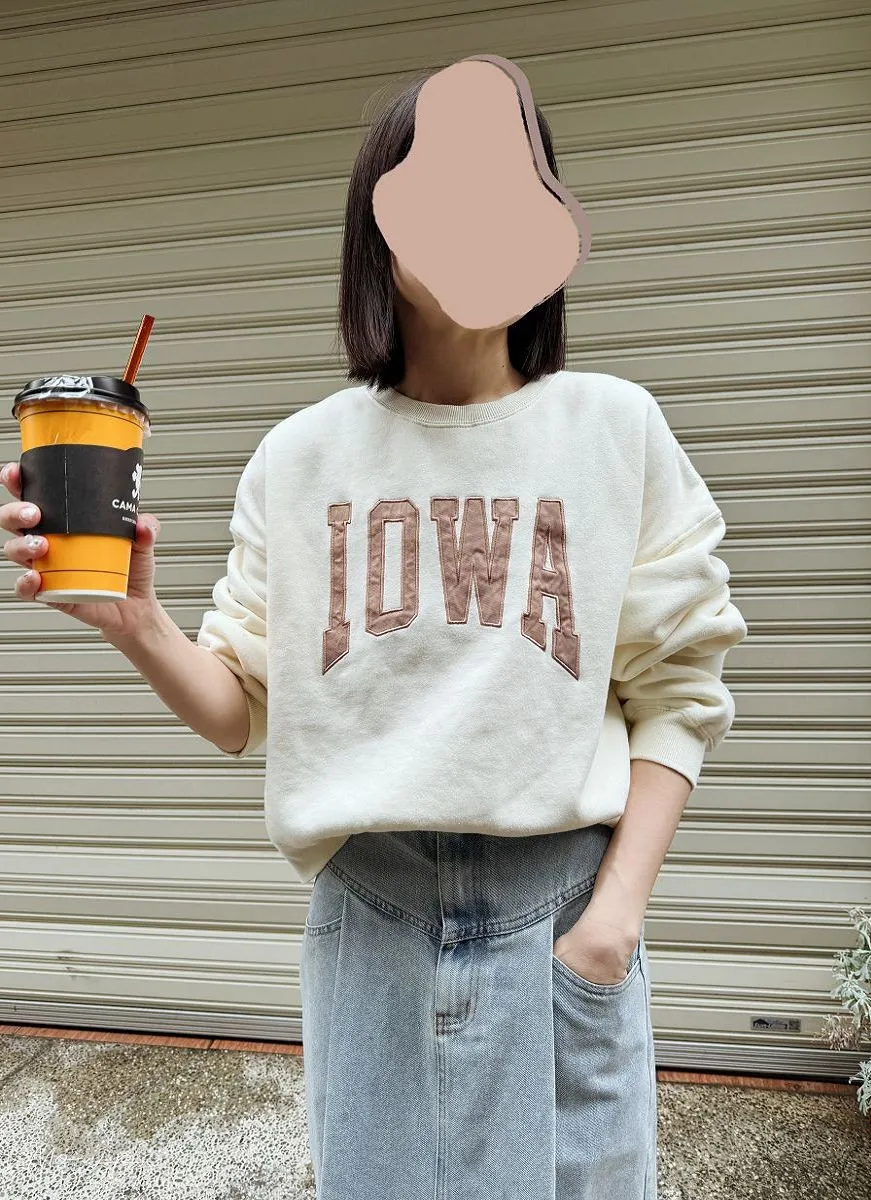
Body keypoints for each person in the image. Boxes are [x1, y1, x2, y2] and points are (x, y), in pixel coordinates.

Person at [1, 58, 747, 1200]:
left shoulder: (615, 430)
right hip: (372, 915)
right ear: (378, 231)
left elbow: (680, 691)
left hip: (563, 907)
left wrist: (612, 922)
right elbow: (240, 711)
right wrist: (134, 620)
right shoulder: (300, 458)